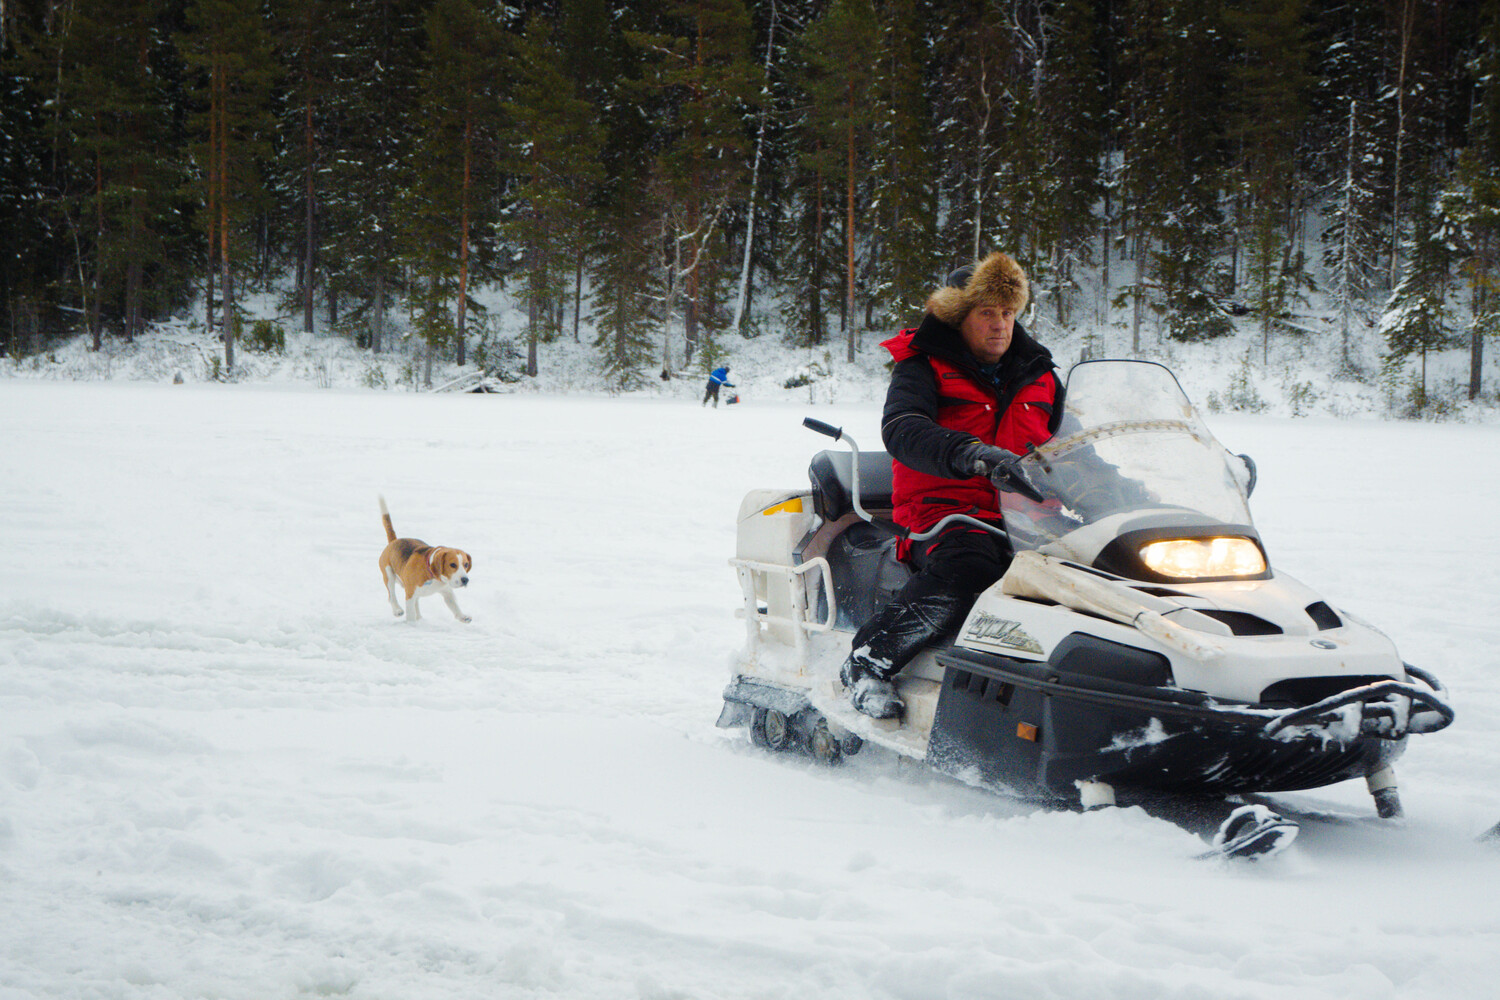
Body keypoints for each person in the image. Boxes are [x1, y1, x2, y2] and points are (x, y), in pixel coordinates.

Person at [839, 252, 1062, 720]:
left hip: (1029, 513)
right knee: (971, 564)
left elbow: (1081, 447)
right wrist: (971, 453)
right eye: (987, 313)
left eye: (1007, 312)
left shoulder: (1041, 375)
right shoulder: (922, 365)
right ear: (959, 316)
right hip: (944, 508)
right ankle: (869, 661)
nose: (1000, 324)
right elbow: (902, 428)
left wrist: (1148, 492)